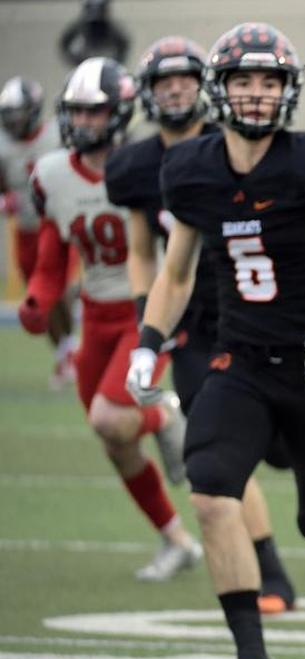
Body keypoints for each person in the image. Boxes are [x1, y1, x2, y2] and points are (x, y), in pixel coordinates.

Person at [127, 22, 305, 659]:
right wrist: (148, 341)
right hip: (238, 360)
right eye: (243, 80)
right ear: (221, 89)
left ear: (287, 91)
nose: (254, 92)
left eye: (268, 81)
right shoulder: (191, 168)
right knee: (212, 490)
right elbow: (177, 272)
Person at [106, 35, 298, 615]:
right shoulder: (137, 165)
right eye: (164, 84)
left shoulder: (236, 146)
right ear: (145, 93)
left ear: (206, 88)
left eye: (185, 81)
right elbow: (144, 252)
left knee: (287, 451)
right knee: (215, 453)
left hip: (250, 309)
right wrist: (148, 324)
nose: (175, 92)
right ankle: (271, 576)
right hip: (190, 319)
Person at [17, 57, 201, 582]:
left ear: (120, 112)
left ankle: (164, 415)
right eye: (76, 112)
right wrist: (37, 298)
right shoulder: (52, 172)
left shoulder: (150, 164)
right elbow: (54, 256)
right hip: (95, 315)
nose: (83, 123)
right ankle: (176, 540)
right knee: (114, 439)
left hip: (146, 308)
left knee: (110, 417)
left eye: (95, 113)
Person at [0, 75, 77, 389]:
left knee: (58, 289)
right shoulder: (4, 147)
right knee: (39, 301)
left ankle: (70, 350)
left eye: (19, 114)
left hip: (60, 225)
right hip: (27, 230)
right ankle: (65, 352)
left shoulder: (57, 134)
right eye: (10, 116)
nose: (15, 123)